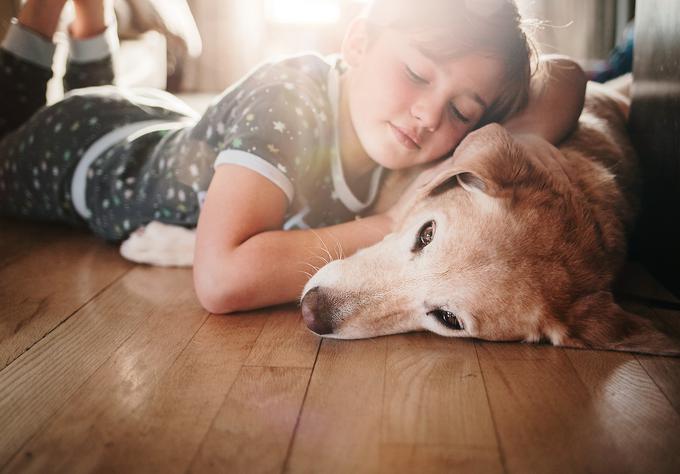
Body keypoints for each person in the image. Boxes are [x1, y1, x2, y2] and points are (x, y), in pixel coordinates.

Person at [0, 0, 586, 313]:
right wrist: (387, 224)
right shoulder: (291, 99)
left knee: (101, 98)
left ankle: (90, 19)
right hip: (86, 153)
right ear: (357, 42)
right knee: (12, 130)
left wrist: (452, 152)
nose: (430, 116)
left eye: (462, 109)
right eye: (415, 73)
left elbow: (565, 79)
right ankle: (48, 16)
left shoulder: (408, 131)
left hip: (157, 120)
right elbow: (222, 280)